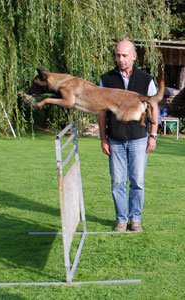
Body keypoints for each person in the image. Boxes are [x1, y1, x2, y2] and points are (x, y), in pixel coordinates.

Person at [98, 39, 159, 233]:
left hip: (139, 139)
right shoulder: (107, 79)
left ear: (134, 56)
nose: (120, 59)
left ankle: (135, 220)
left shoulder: (146, 79)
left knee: (137, 182)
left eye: (124, 55)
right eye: (117, 55)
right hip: (115, 140)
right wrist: (103, 138)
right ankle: (121, 220)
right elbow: (101, 111)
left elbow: (154, 107)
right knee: (117, 182)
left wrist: (153, 135)